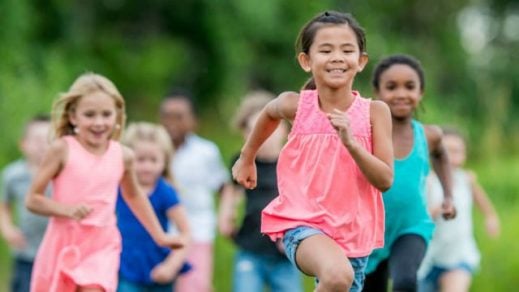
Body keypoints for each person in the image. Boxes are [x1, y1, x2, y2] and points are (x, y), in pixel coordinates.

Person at [232, 11, 394, 292]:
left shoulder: (374, 113)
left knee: (340, 278)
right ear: (306, 61)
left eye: (347, 50)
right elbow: (269, 113)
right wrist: (247, 157)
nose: (336, 57)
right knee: (337, 275)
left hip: (354, 237)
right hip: (303, 224)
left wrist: (351, 143)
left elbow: (384, 180)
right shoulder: (297, 106)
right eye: (325, 49)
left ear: (361, 61)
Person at [25, 72, 185, 292]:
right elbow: (33, 199)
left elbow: (134, 195)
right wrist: (66, 210)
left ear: (117, 115)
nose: (99, 122)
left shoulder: (123, 156)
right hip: (65, 242)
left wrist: (159, 235)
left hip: (102, 244)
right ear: (73, 116)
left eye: (106, 114)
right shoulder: (62, 150)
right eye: (89, 114)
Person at [363, 54, 456, 292]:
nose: (401, 94)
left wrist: (448, 196)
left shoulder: (429, 135)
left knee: (405, 281)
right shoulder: (366, 136)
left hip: (411, 226)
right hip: (369, 231)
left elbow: (441, 156)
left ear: (421, 93)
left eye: (410, 87)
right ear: (377, 93)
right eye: (391, 87)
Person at [218, 90, 302, 292]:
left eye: (271, 129)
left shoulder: (292, 161)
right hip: (251, 246)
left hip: (285, 251)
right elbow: (232, 191)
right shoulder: (244, 162)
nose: (266, 136)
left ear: (283, 129)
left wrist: (295, 231)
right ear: (245, 134)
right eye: (254, 129)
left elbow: (303, 200)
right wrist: (226, 215)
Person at [160, 90, 232, 292]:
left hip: (197, 230)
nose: (171, 122)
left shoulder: (205, 151)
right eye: (167, 116)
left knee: (195, 285)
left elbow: (224, 187)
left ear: (193, 121)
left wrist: (225, 215)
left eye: (179, 117)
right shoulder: (154, 151)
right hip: (162, 231)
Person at [418, 127, 500, 292]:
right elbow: (418, 217)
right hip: (427, 257)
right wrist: (437, 210)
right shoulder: (427, 182)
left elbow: (481, 200)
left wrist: (490, 217)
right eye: (445, 151)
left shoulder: (466, 179)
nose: (450, 156)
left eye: (457, 151)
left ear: (465, 154)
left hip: (459, 254)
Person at [116, 122, 192, 292]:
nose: (147, 167)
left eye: (153, 160)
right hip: (126, 269)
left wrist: (171, 266)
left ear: (165, 161)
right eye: (140, 160)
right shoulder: (119, 188)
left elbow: (185, 232)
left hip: (158, 269)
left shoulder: (165, 192)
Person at [0, 115, 51, 292]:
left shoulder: (62, 175)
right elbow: (3, 205)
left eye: (48, 140)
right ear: (24, 144)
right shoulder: (12, 175)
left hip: (56, 253)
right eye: (37, 140)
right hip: (26, 252)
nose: (42, 145)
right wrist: (7, 229)